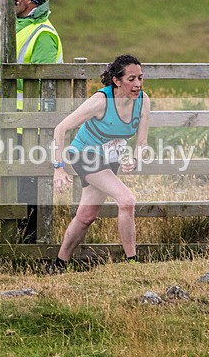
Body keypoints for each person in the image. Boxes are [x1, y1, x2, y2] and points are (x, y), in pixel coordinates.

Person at [0, 0, 63, 243]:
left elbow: (42, 78)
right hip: (16, 121)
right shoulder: (21, 26)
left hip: (33, 124)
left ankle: (31, 244)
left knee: (30, 185)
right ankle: (17, 243)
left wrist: (2, 74)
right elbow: (15, 67)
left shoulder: (44, 34)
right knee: (17, 182)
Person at [49, 55, 150, 271]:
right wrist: (58, 169)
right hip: (84, 155)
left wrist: (134, 159)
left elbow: (142, 143)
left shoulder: (143, 101)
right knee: (127, 200)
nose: (138, 84)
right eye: (131, 79)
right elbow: (60, 129)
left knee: (86, 216)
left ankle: (58, 264)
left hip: (108, 159)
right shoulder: (101, 102)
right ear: (116, 81)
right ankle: (132, 263)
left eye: (140, 78)